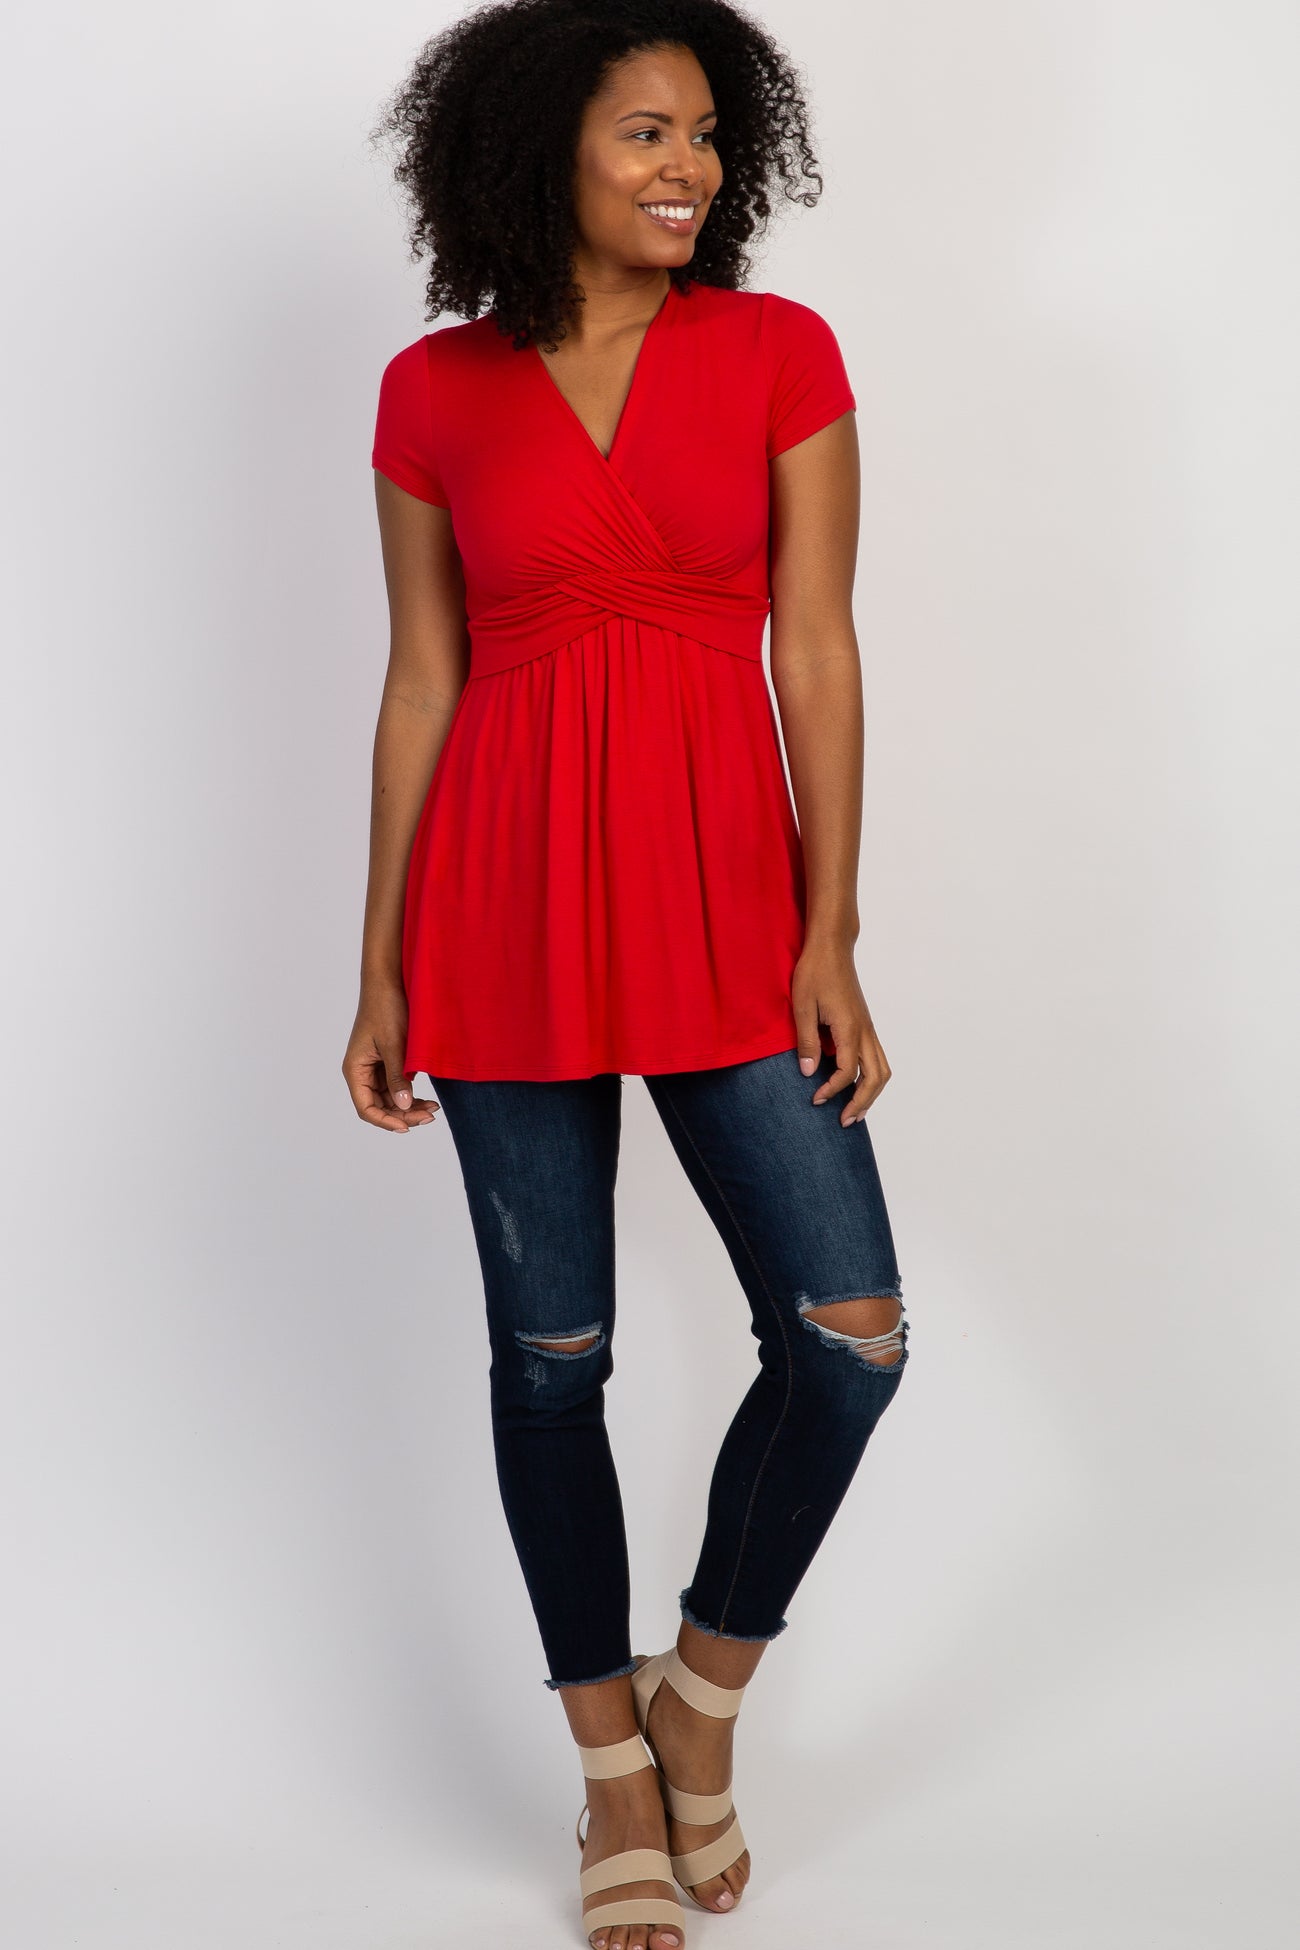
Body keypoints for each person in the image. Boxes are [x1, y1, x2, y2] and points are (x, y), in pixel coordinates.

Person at [344, 5, 911, 1946]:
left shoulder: (774, 353)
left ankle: (699, 1694)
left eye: (705, 135)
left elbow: (814, 649)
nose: (689, 167)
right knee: (550, 1361)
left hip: (725, 908)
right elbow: (420, 682)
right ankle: (610, 1772)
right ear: (540, 152)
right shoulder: (434, 390)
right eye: (646, 132)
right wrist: (378, 965)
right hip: (498, 912)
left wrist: (828, 928)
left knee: (845, 1335)